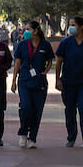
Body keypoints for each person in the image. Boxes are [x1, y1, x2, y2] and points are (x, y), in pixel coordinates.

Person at [11, 20, 53, 149]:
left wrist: (45, 72)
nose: (26, 31)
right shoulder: (22, 45)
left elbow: (50, 60)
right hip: (24, 79)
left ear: (35, 31)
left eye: (28, 29)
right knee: (25, 107)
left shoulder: (45, 45)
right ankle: (23, 132)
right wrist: (13, 80)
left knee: (37, 109)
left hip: (39, 81)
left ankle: (32, 137)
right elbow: (17, 62)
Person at [55, 15, 83, 147]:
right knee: (70, 110)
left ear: (81, 27)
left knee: (82, 108)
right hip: (68, 82)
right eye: (70, 25)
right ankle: (71, 136)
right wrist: (57, 79)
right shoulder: (65, 43)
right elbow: (59, 62)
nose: (71, 27)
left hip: (82, 83)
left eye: (73, 25)